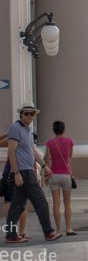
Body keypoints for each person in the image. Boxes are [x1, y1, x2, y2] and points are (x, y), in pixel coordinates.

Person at [5, 102, 62, 243]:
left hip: (27, 171)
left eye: (32, 114)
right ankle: (48, 232)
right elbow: (11, 151)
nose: (29, 116)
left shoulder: (28, 130)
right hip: (23, 172)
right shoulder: (16, 128)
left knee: (17, 206)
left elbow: (33, 151)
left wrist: (44, 166)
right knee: (41, 202)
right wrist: (16, 173)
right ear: (21, 114)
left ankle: (11, 235)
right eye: (26, 113)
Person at [44, 120, 76, 235]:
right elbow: (70, 157)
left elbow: (47, 159)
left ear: (54, 130)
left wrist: (47, 175)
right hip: (66, 175)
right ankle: (68, 228)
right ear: (64, 129)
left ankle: (58, 229)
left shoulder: (49, 143)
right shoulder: (69, 141)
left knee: (56, 204)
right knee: (67, 203)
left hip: (54, 175)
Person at [0, 134, 28, 239]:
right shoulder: (27, 140)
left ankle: (11, 231)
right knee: (23, 203)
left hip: (9, 173)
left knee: (8, 202)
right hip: (23, 172)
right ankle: (21, 232)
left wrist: (8, 134)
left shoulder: (11, 140)